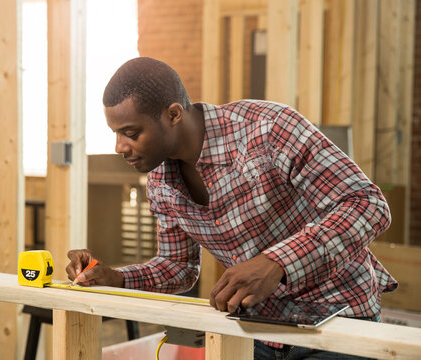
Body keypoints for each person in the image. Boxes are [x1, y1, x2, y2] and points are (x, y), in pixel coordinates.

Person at [65, 57, 397, 359]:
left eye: (130, 133)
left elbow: (368, 205)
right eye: (116, 134)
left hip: (337, 322)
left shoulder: (269, 129)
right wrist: (116, 278)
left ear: (173, 114)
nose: (120, 147)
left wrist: (275, 263)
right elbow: (178, 266)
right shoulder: (160, 180)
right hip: (255, 330)